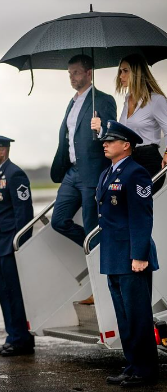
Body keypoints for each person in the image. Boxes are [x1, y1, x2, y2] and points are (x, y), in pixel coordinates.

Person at [96, 121, 159, 387]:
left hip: (132, 256)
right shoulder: (106, 173)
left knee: (137, 315)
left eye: (111, 140)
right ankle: (133, 365)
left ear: (126, 145)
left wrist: (139, 255)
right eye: (105, 140)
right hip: (113, 254)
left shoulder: (136, 174)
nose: (105, 143)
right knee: (124, 316)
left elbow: (142, 217)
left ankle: (145, 370)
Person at [51, 54, 117, 255]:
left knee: (92, 225)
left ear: (89, 73)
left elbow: (112, 134)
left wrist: (101, 129)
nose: (72, 77)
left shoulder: (103, 100)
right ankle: (98, 248)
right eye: (69, 73)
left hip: (93, 172)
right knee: (59, 221)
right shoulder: (71, 103)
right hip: (71, 172)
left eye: (76, 72)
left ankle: (100, 259)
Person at [0, 134, 35, 357]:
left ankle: (22, 339)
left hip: (9, 245)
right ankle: (12, 337)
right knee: (4, 294)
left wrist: (20, 243)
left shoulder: (15, 174)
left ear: (3, 151)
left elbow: (24, 212)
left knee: (15, 294)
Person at [92, 53, 167, 194]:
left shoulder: (156, 100)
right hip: (129, 161)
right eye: (120, 71)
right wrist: (101, 129)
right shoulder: (128, 99)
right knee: (125, 207)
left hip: (148, 162)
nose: (121, 76)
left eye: (125, 71)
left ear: (137, 73)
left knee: (137, 206)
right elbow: (124, 133)